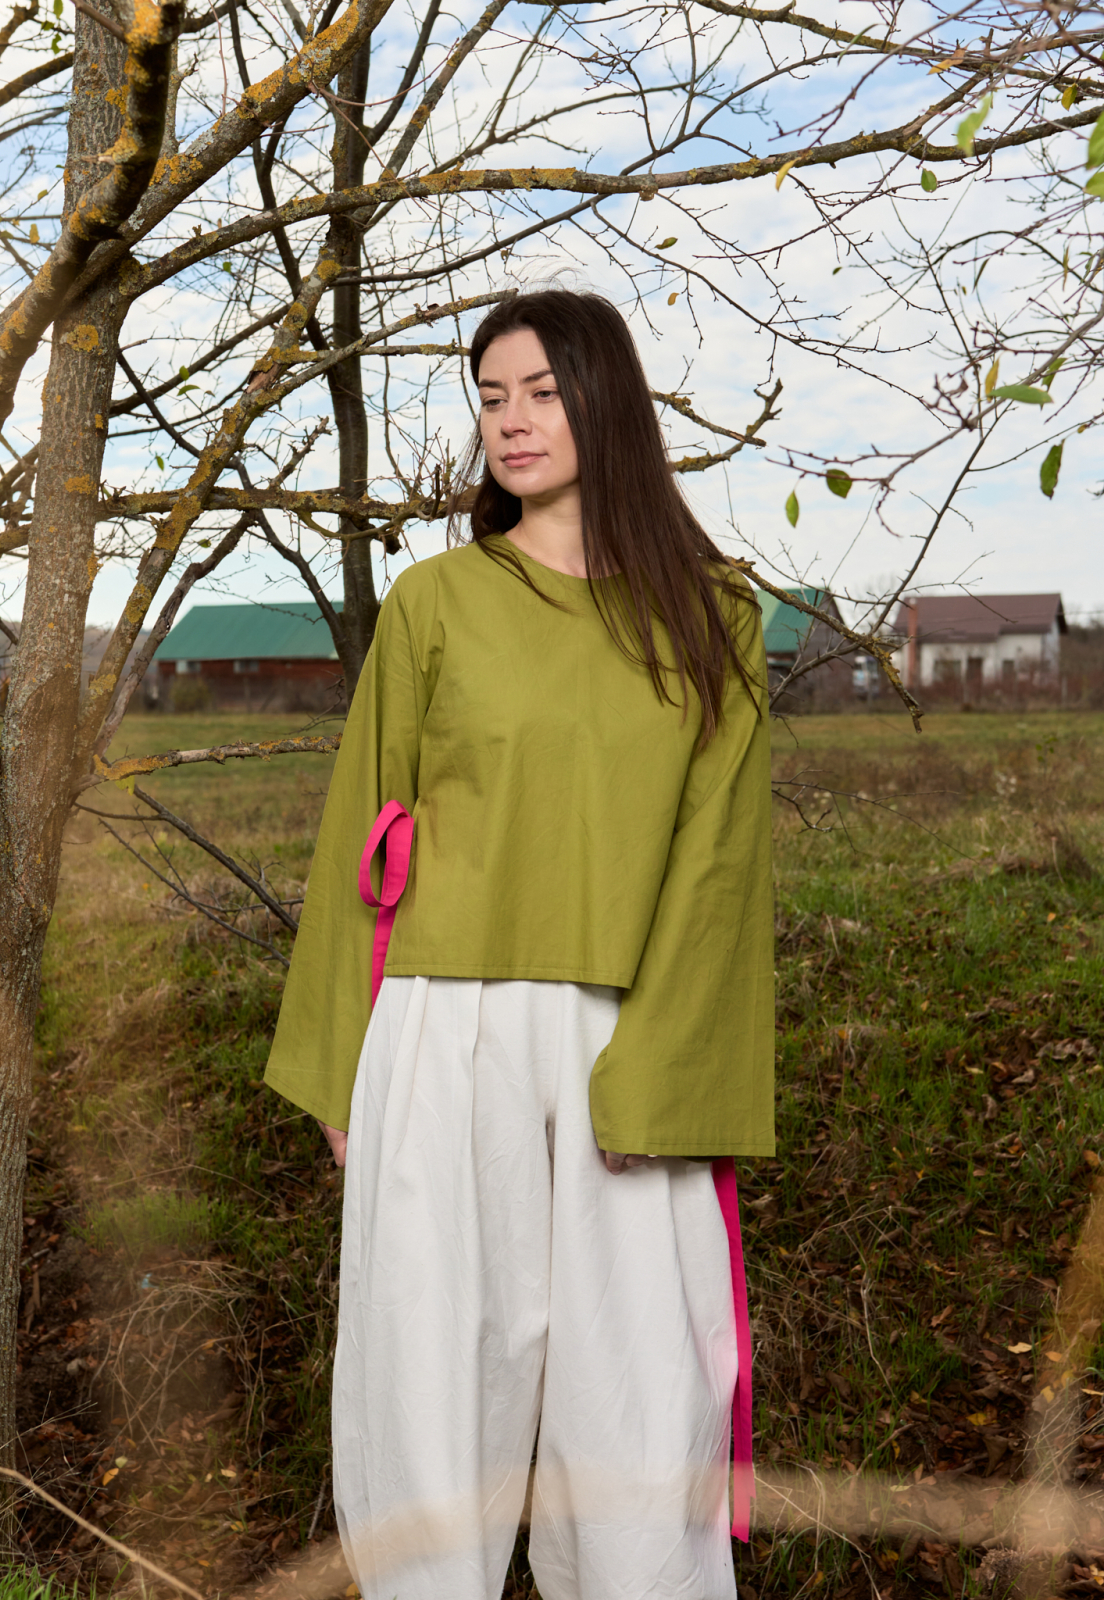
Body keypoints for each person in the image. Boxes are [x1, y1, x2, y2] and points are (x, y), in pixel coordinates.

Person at [264, 288, 774, 1600]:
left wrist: (663, 1074)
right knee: (437, 1383)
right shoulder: (436, 603)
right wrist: (342, 1068)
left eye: (541, 391)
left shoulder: (714, 616)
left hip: (629, 1039)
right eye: (492, 398)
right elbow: (360, 826)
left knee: (639, 1400)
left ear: (607, 401)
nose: (512, 421)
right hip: (446, 1029)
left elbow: (718, 869)